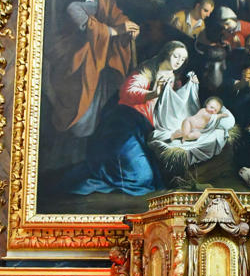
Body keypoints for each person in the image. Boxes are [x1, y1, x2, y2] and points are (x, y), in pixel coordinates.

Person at [64, 41, 189, 196]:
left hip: (145, 126)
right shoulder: (148, 69)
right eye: (176, 56)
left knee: (154, 175)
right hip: (124, 124)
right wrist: (153, 93)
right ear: (166, 53)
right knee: (141, 178)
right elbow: (127, 92)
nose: (178, 61)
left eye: (182, 59)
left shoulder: (172, 76)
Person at [46, 0, 140, 141]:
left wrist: (130, 26)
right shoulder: (72, 7)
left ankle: (101, 128)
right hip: (78, 56)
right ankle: (81, 134)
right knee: (83, 95)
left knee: (102, 94)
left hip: (102, 53)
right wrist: (121, 29)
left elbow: (116, 15)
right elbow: (92, 30)